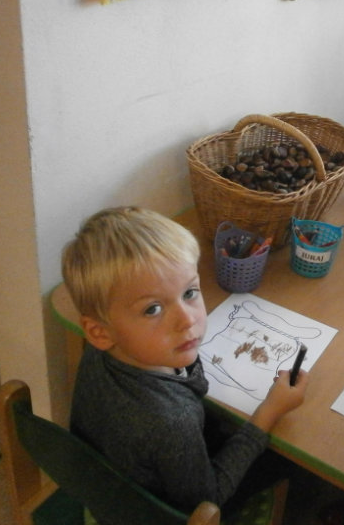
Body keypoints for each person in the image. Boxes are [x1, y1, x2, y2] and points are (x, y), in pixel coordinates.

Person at [62, 206, 308, 520]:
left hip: (113, 485)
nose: (187, 320)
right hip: (164, 513)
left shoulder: (101, 350)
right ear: (100, 332)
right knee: (288, 461)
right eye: (152, 309)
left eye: (190, 292)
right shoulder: (173, 422)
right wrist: (268, 411)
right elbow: (207, 501)